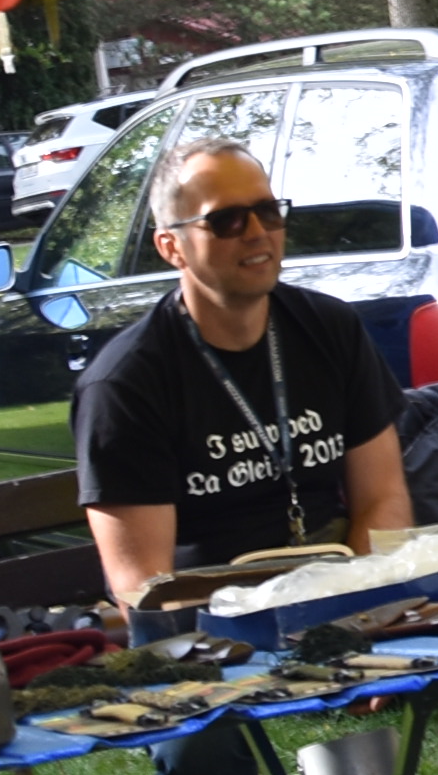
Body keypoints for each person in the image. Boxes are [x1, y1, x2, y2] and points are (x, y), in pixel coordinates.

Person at [73, 136, 411, 600]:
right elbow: (144, 589)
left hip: (345, 589)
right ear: (171, 247)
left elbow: (383, 499)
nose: (256, 232)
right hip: (217, 613)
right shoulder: (125, 384)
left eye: (268, 212)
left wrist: (365, 601)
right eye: (226, 220)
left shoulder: (331, 328)